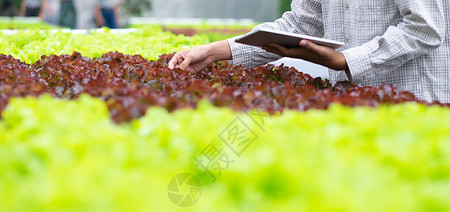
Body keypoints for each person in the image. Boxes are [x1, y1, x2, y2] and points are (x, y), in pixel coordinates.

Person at [169, 0, 449, 103]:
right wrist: (212, 52)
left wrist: (344, 60)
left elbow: (424, 28)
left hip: (417, 100)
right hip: (357, 103)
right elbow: (298, 23)